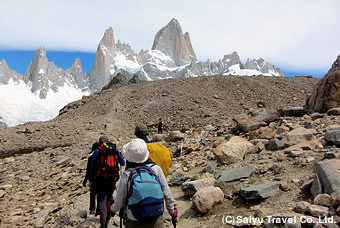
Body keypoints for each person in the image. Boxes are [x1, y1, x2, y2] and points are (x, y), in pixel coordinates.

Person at [107, 138, 177, 228]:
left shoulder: (127, 174)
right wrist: (172, 211)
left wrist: (111, 208)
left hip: (134, 220)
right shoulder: (156, 169)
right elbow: (167, 193)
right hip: (156, 217)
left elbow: (120, 202)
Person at [89, 136, 125, 228]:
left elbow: (92, 167)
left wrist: (91, 180)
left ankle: (103, 224)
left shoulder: (97, 151)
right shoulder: (115, 150)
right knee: (109, 198)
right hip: (112, 178)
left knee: (101, 200)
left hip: (100, 179)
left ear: (100, 142)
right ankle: (108, 220)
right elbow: (122, 163)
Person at [83, 142, 100, 215]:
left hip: (93, 178)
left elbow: (88, 170)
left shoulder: (91, 157)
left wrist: (86, 180)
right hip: (101, 177)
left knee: (92, 194)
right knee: (100, 194)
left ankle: (92, 209)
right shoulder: (102, 156)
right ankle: (99, 210)